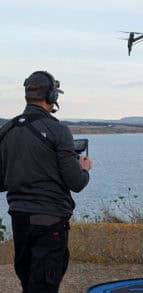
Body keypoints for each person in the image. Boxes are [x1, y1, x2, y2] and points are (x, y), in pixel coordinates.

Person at [0, 71, 92, 293]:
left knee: (29, 283)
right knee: (44, 286)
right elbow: (76, 183)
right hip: (50, 222)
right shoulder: (58, 130)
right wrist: (84, 168)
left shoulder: (7, 130)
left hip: (19, 220)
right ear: (51, 96)